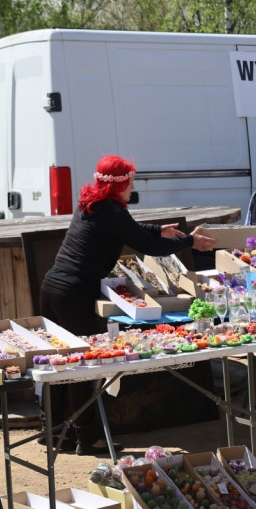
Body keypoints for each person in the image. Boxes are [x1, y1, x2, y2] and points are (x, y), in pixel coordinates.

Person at [39, 155, 216, 455]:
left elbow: (130, 229)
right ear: (118, 184)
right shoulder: (109, 210)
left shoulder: (91, 204)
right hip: (73, 294)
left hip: (52, 289)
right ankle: (87, 438)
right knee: (81, 367)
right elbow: (146, 245)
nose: (132, 187)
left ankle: (55, 432)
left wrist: (160, 230)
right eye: (129, 182)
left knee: (58, 363)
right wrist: (188, 242)